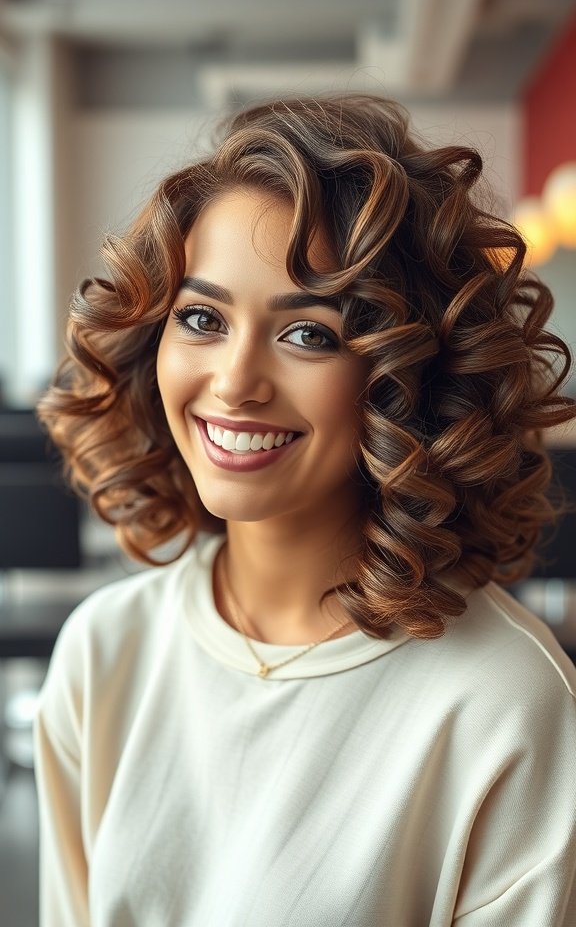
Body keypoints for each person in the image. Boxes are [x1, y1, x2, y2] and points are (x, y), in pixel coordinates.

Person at [35, 94, 576, 926]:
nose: (235, 382)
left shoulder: (507, 702)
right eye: (203, 319)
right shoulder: (104, 656)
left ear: (407, 378)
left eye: (308, 335)